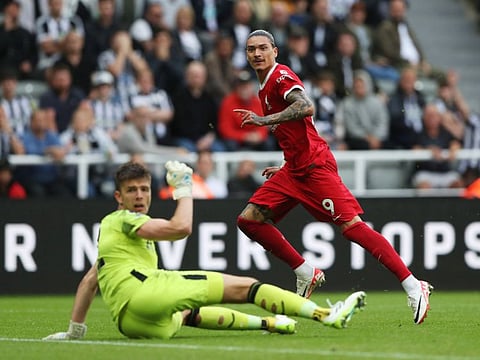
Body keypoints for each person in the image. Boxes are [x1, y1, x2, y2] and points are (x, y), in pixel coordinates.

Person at [233, 29, 432, 324]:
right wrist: (286, 163)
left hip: (314, 167)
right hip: (294, 168)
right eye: (251, 49)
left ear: (275, 51)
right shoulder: (264, 85)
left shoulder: (280, 76)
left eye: (263, 48)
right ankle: (305, 272)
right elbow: (298, 132)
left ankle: (414, 285)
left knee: (353, 228)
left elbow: (305, 106)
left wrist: (265, 120)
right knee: (249, 220)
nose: (257, 54)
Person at [43, 160, 366, 340]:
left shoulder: (110, 236)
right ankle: (327, 315)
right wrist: (184, 187)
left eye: (144, 189)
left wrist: (75, 332)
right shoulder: (123, 219)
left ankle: (269, 323)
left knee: (187, 315)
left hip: (132, 324)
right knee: (245, 286)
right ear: (119, 197)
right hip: (143, 294)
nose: (139, 196)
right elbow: (179, 228)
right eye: (131, 191)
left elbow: (90, 281)